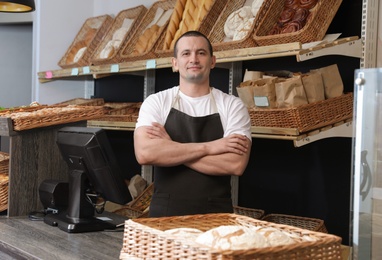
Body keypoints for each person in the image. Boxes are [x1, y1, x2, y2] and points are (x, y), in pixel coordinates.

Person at [134, 30, 251, 217]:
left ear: (212, 61)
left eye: (201, 53)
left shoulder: (232, 105)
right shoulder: (157, 102)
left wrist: (171, 147)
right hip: (164, 215)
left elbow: (235, 164)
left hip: (216, 218)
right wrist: (211, 147)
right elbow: (145, 153)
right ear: (175, 63)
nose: (194, 59)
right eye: (186, 53)